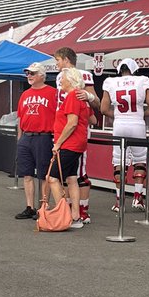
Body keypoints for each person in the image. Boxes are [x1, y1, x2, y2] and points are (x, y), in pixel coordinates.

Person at [101, 58, 149, 212]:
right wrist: (140, 115)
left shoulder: (110, 82)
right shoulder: (142, 80)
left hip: (119, 125)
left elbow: (104, 109)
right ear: (134, 70)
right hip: (137, 124)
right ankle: (138, 198)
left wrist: (119, 116)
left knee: (119, 162)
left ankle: (120, 202)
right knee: (139, 161)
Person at [53, 45, 99, 224]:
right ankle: (74, 212)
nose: (56, 64)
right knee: (70, 176)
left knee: (79, 174)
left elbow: (95, 102)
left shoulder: (79, 77)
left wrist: (88, 97)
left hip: (73, 133)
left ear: (66, 59)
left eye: (58, 60)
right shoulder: (61, 78)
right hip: (66, 129)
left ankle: (80, 211)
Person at [49, 67, 92, 230]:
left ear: (71, 80)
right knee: (72, 178)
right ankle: (75, 215)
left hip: (69, 144)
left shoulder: (73, 96)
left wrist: (58, 142)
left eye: (64, 78)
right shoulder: (77, 96)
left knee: (53, 178)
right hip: (76, 143)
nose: (61, 81)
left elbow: (72, 122)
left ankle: (63, 212)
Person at [14, 64, 57, 220]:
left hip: (44, 136)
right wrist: (20, 138)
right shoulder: (25, 94)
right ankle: (30, 207)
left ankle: (43, 205)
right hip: (27, 136)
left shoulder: (53, 93)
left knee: (44, 174)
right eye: (27, 73)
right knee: (26, 173)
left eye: (32, 73)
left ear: (41, 75)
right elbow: (20, 117)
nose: (29, 76)